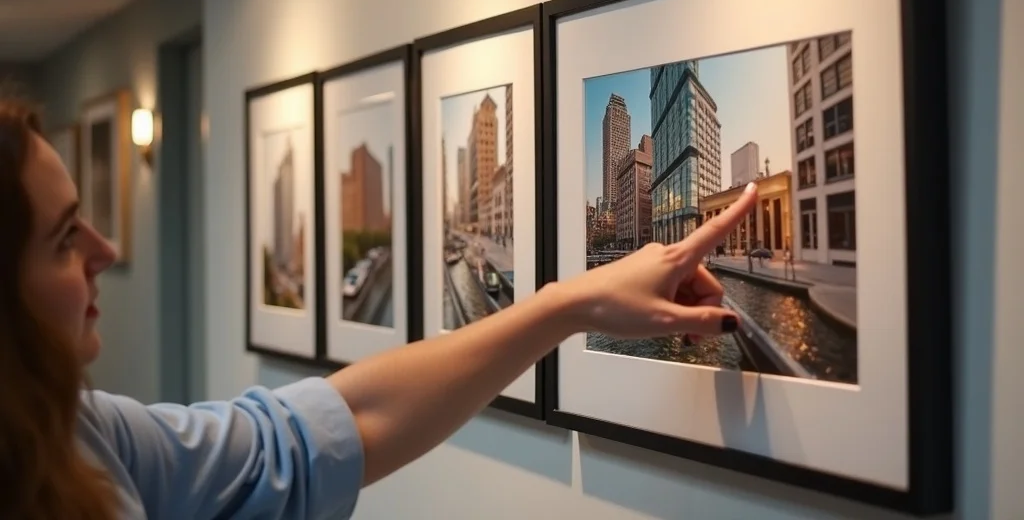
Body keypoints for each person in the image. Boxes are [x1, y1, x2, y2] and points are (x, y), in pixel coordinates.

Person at [0, 96, 758, 520]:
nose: (106, 249)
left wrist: (568, 303)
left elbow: (308, 440)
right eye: (65, 237)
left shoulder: (84, 434)